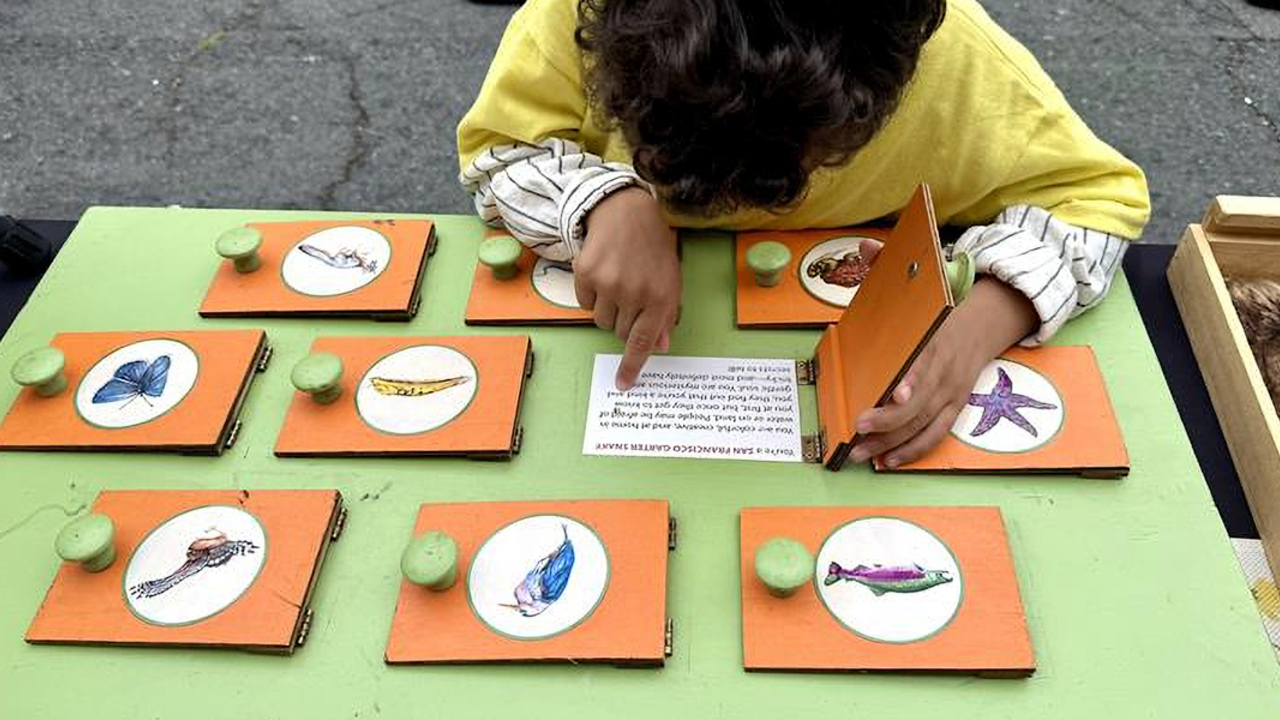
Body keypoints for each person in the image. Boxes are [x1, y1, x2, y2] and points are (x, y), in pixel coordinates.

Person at [455, 0, 1150, 467]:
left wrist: (985, 315)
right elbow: (500, 148)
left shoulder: (967, 72)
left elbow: (1093, 196)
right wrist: (605, 200)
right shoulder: (571, 19)